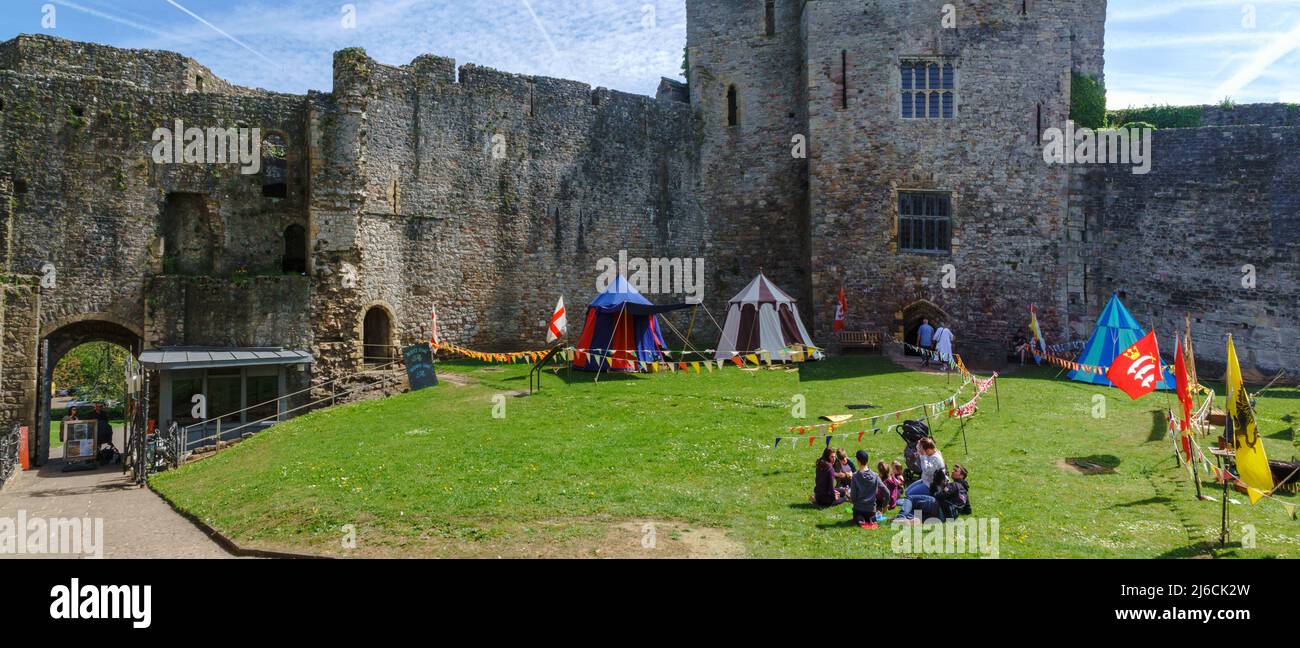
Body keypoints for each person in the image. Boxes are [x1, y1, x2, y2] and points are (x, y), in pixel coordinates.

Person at [848, 450, 883, 529]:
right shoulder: (875, 476)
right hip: (871, 510)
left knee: (858, 514)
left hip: (858, 508)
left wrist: (852, 501)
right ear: (867, 460)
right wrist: (884, 507)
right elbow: (886, 492)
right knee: (870, 514)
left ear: (858, 461)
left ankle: (860, 518)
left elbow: (853, 495)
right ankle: (871, 519)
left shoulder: (855, 476)